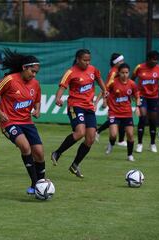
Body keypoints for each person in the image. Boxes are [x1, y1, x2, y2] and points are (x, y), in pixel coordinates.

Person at [0, 49, 45, 194]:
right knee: (25, 147)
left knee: (39, 152)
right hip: (9, 122)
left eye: (36, 73)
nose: (34, 74)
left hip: (27, 122)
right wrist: (0, 113)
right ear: (24, 67)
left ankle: (42, 183)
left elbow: (37, 99)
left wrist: (37, 110)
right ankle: (35, 184)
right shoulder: (9, 80)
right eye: (32, 71)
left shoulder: (35, 84)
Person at [51, 49, 107, 178]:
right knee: (80, 132)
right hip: (75, 106)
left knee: (90, 138)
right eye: (84, 60)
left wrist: (104, 90)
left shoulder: (93, 69)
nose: (87, 63)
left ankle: (75, 164)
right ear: (78, 59)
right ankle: (57, 153)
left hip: (89, 108)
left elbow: (99, 79)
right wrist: (58, 98)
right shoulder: (70, 72)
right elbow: (62, 87)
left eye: (89, 60)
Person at [104, 63, 141, 161]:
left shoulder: (132, 84)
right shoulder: (113, 82)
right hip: (114, 112)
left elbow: (137, 96)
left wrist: (137, 107)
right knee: (113, 134)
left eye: (126, 72)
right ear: (118, 73)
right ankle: (111, 144)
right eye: (122, 73)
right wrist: (104, 101)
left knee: (130, 135)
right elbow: (105, 92)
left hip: (127, 113)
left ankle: (130, 155)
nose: (125, 75)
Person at [132, 50, 159, 153]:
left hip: (154, 97)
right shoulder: (139, 67)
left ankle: (152, 143)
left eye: (157, 60)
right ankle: (140, 144)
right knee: (142, 117)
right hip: (142, 96)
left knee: (153, 120)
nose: (155, 62)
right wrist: (133, 92)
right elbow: (132, 80)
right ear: (148, 59)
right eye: (153, 59)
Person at [95, 53, 127, 147]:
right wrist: (104, 100)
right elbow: (106, 87)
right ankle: (99, 131)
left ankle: (120, 140)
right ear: (116, 63)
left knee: (119, 118)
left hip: (118, 97)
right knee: (118, 118)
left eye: (122, 60)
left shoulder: (119, 71)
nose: (122, 62)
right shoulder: (114, 72)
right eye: (120, 61)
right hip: (113, 99)